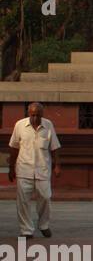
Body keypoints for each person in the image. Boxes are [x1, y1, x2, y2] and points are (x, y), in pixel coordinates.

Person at [8, 101, 61, 238]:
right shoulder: (20, 125)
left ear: (42, 115)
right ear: (28, 113)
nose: (35, 118)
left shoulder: (48, 125)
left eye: (38, 115)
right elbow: (13, 147)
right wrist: (11, 168)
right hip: (24, 169)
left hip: (42, 169)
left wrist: (57, 166)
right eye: (32, 115)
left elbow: (54, 147)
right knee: (23, 201)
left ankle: (43, 224)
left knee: (45, 197)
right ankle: (26, 230)